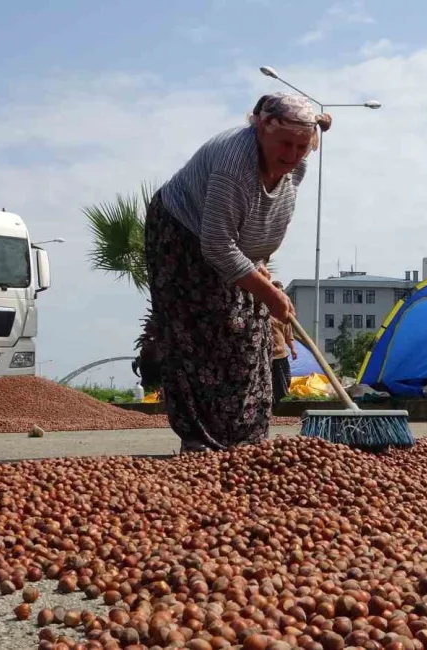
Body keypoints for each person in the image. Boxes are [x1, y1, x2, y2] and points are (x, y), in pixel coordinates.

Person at [144, 92, 332, 454]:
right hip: (182, 238)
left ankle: (247, 440)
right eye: (285, 145)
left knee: (252, 332)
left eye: (301, 146)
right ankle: (200, 439)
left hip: (235, 246)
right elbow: (216, 245)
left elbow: (311, 137)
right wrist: (270, 292)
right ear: (261, 130)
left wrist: (259, 271)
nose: (292, 155)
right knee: (202, 332)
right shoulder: (234, 165)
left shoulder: (296, 159)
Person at [269, 280, 299, 403]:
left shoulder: (283, 315)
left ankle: (280, 402)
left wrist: (292, 349)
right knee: (273, 381)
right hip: (270, 354)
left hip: (282, 354)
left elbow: (288, 335)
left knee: (286, 380)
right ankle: (275, 404)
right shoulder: (266, 313)